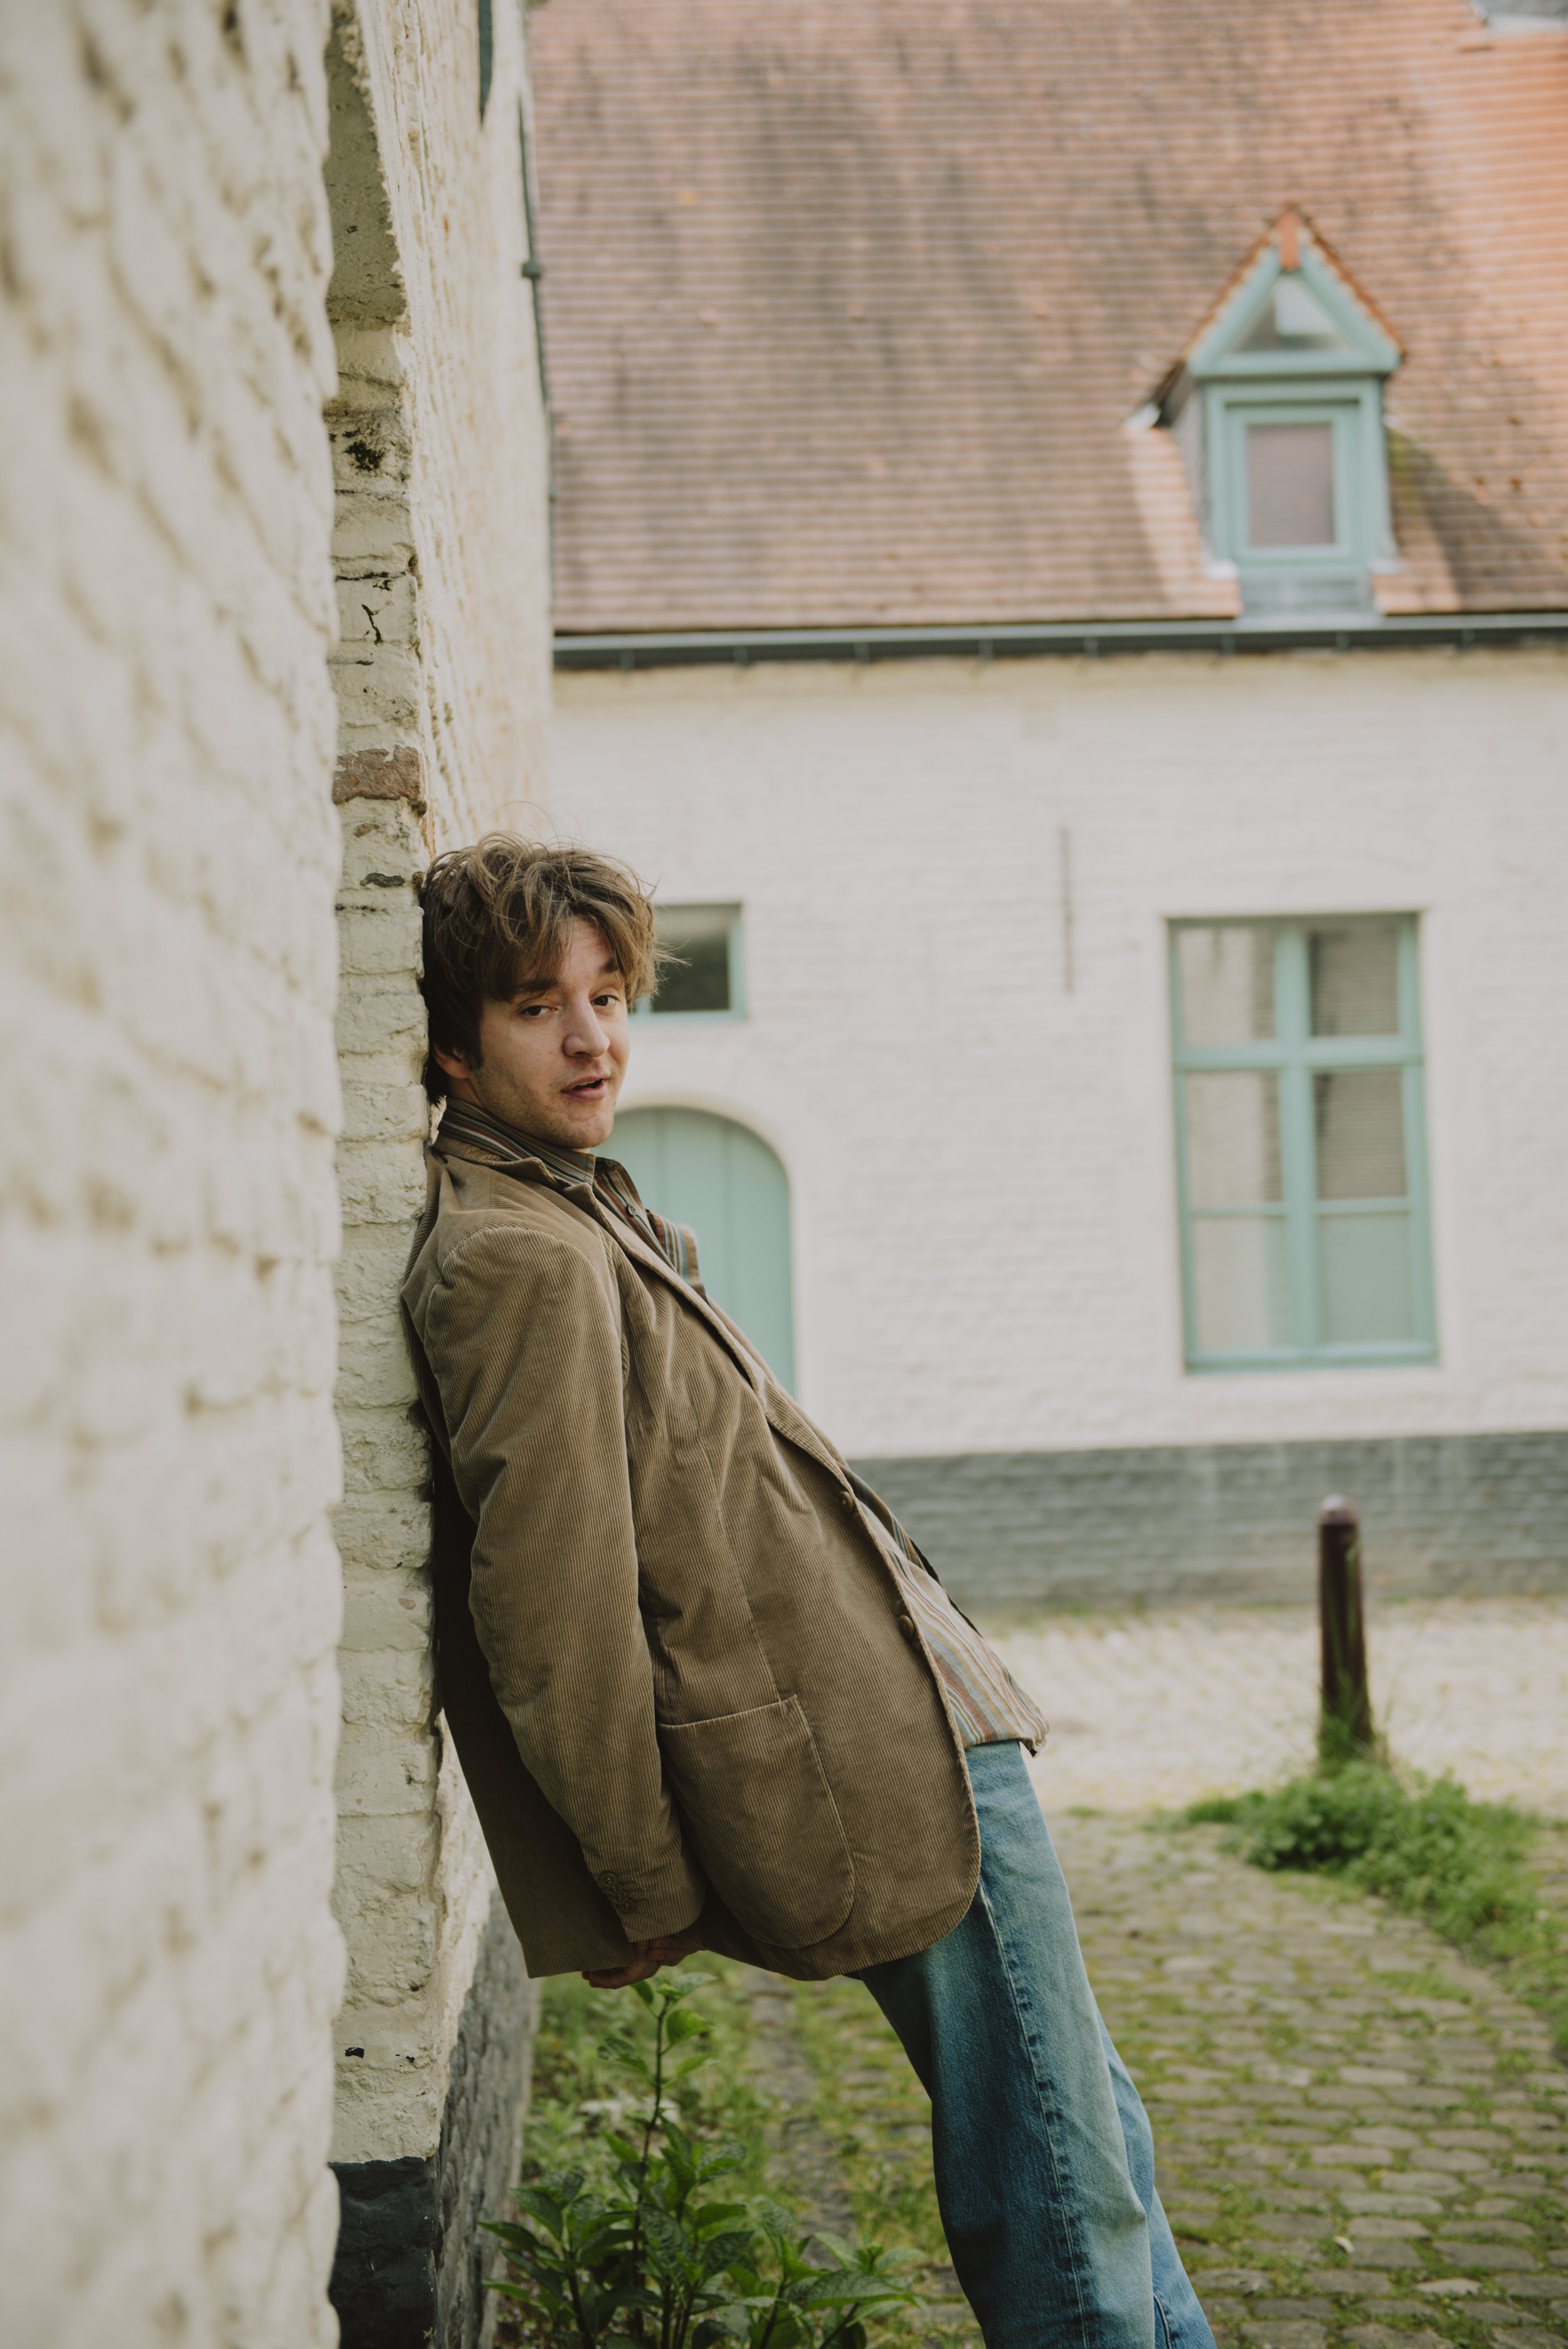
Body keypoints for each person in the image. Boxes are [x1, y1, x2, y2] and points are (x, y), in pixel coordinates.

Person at [402, 835, 1214, 2349]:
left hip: (929, 1720)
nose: (592, 1037)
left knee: (1090, 2135)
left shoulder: (582, 1207)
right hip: (866, 1767)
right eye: (535, 1005)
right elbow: (548, 1609)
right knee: (1053, 2173)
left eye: (608, 993)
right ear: (451, 1044)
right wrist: (634, 1874)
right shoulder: (517, 1255)